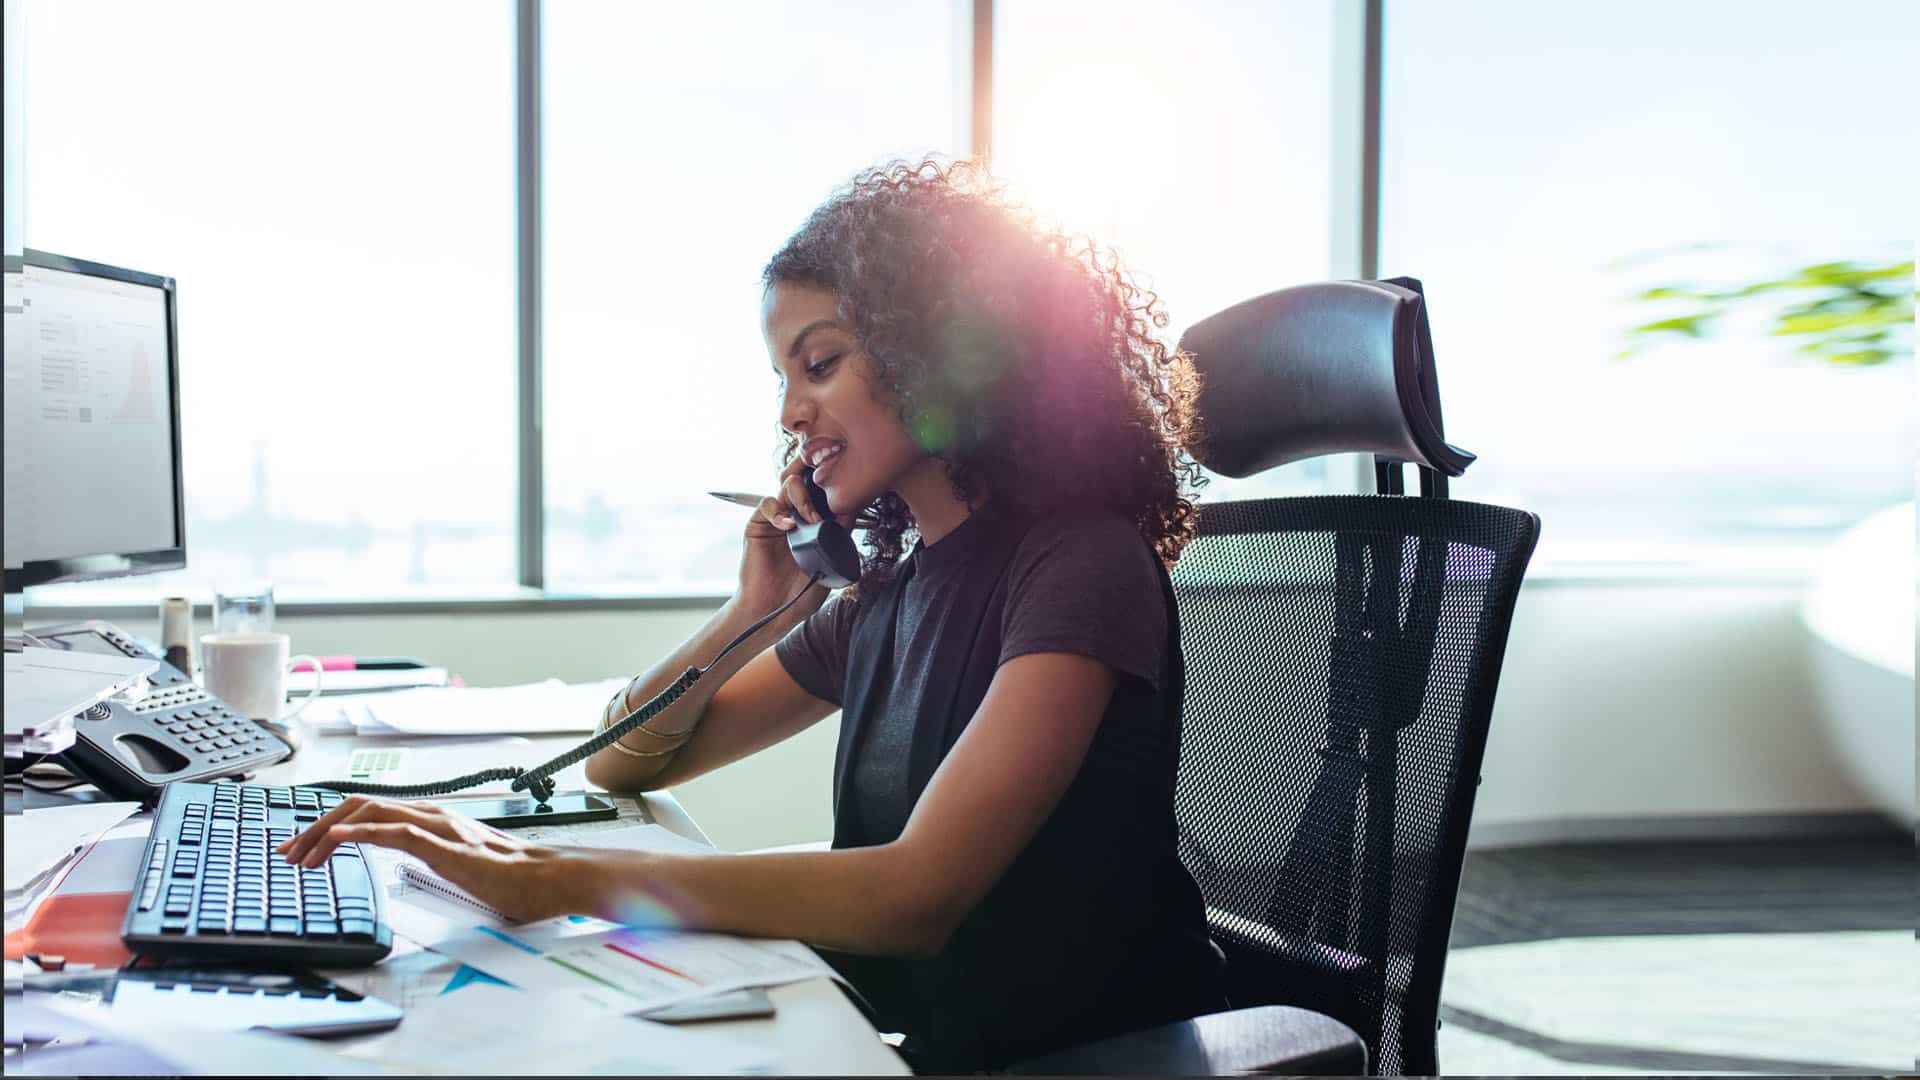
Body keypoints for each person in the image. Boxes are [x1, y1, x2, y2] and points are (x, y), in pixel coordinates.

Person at [278, 158, 1227, 1072]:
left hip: (1068, 1060)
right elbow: (629, 759)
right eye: (784, 377)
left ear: (936, 351)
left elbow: (915, 897)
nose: (791, 414)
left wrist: (554, 879)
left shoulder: (1080, 563)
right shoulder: (886, 593)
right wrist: (754, 610)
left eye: (819, 364)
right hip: (919, 1040)